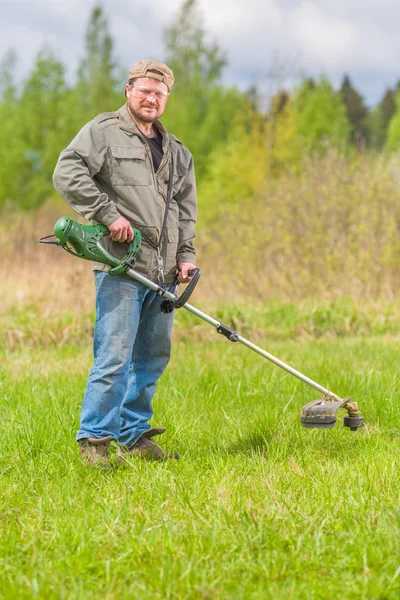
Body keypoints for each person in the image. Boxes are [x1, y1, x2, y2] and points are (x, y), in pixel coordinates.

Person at [53, 59, 197, 466]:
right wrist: (105, 213)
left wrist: (185, 257)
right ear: (128, 90)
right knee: (114, 355)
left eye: (159, 92)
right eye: (144, 90)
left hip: (164, 272)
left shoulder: (177, 152)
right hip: (120, 266)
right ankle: (95, 441)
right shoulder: (102, 132)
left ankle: (133, 434)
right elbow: (66, 171)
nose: (151, 98)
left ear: (167, 97)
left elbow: (186, 211)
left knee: (152, 357)